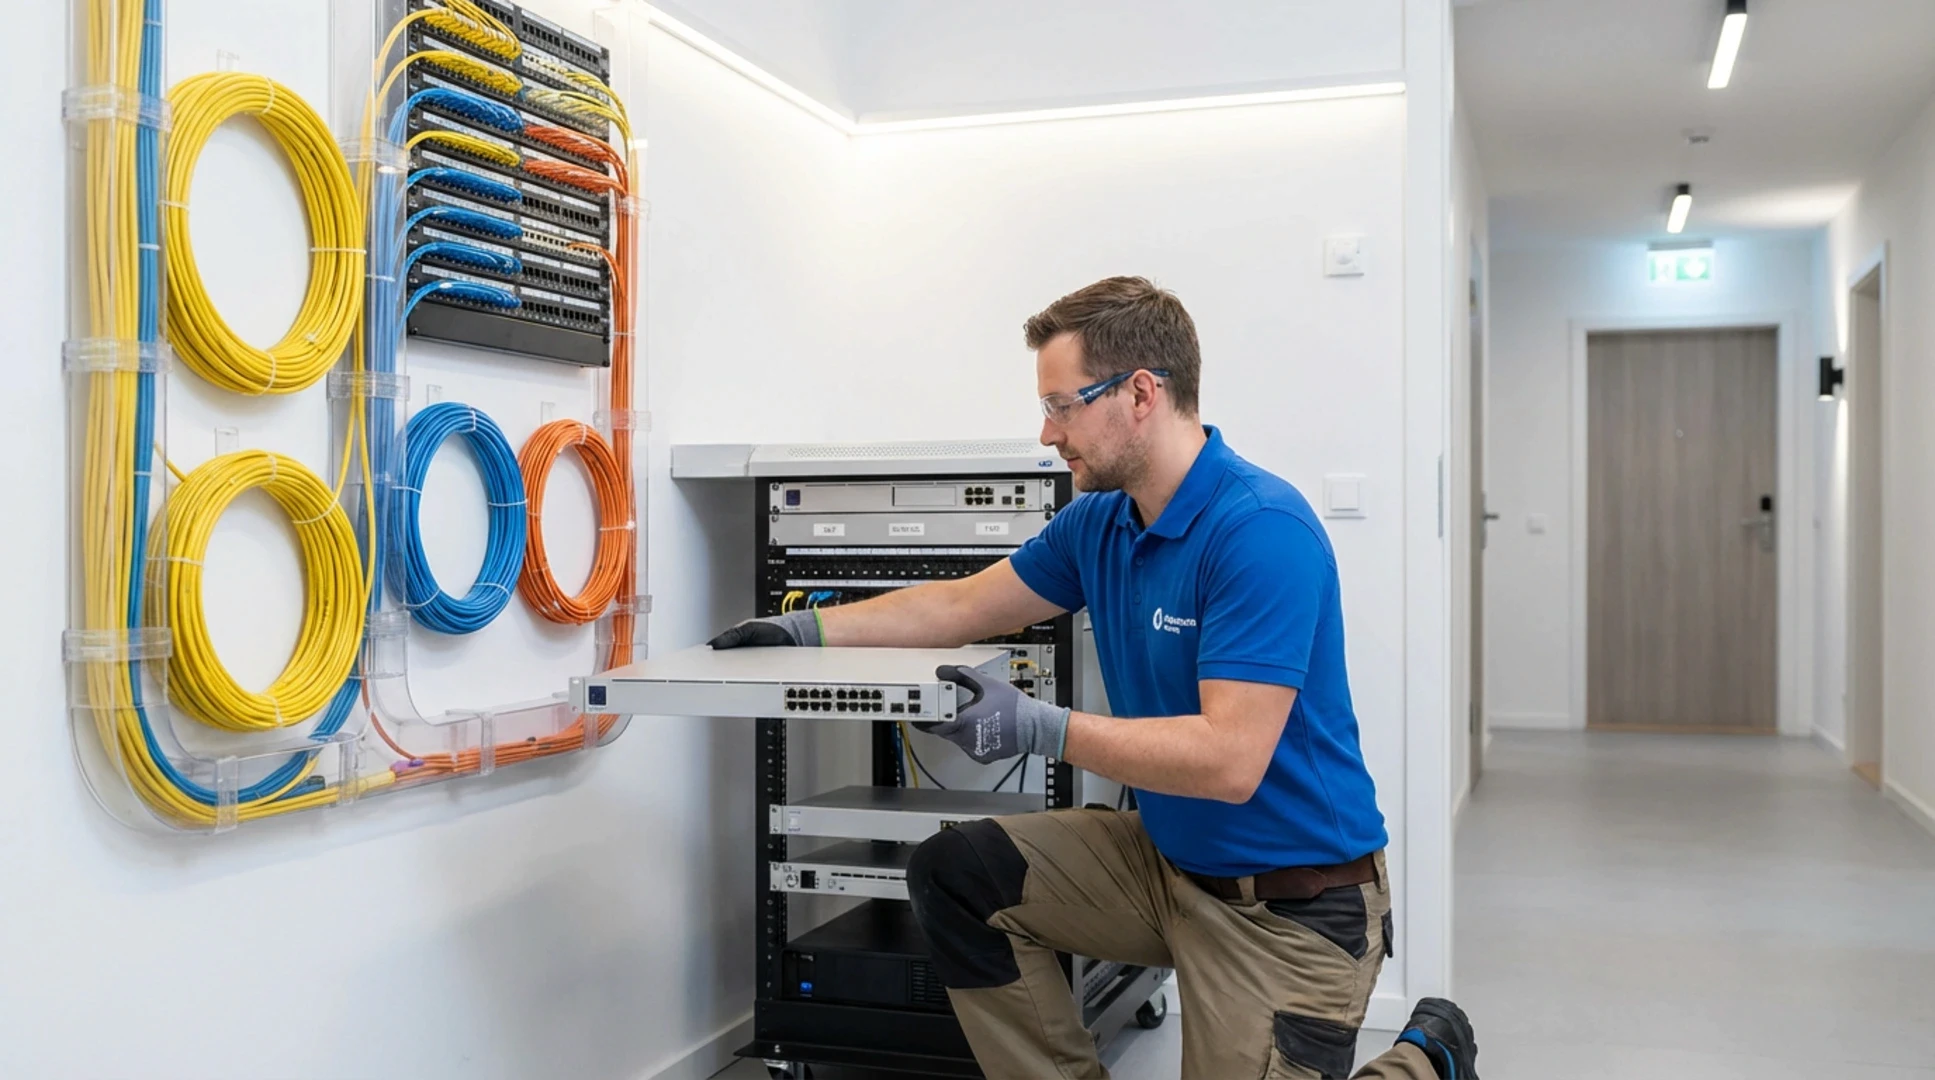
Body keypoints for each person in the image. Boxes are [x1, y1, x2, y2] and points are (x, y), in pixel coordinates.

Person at [709, 276, 1479, 1080]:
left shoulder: (1259, 530)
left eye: (1062, 405)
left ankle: (1425, 1058)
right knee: (958, 873)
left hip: (1289, 906)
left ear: (1140, 393)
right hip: (1166, 868)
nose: (1047, 433)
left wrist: (1039, 728)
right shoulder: (1100, 523)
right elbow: (962, 604)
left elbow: (1229, 760)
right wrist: (805, 628)